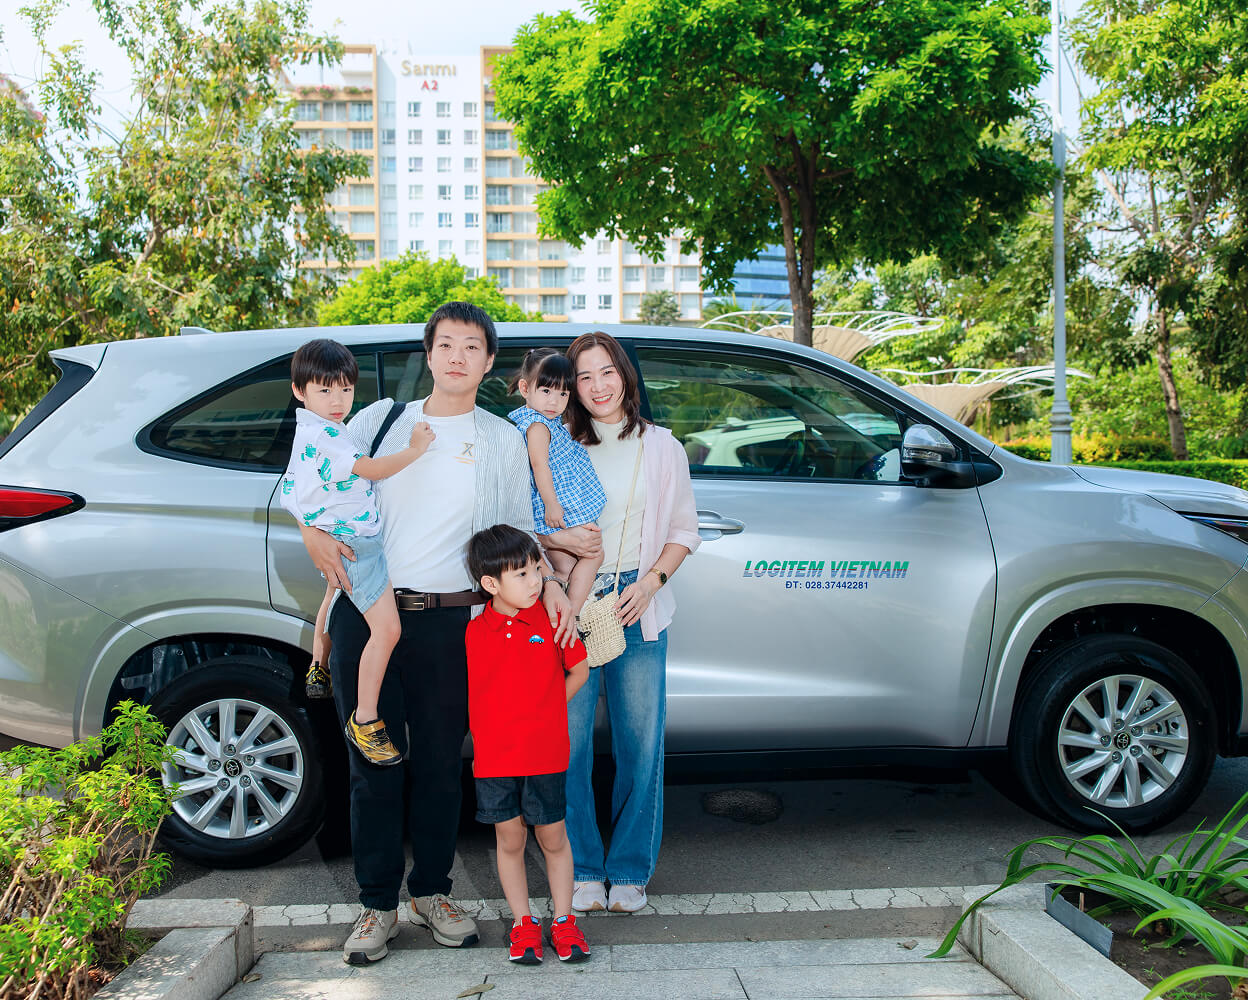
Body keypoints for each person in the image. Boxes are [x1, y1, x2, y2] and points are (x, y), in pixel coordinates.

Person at [296, 303, 588, 966]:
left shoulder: (500, 439)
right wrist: (311, 531)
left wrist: (556, 593)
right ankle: (377, 904)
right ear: (428, 354)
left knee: (436, 765)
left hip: (456, 623)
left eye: (472, 347)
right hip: (369, 616)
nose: (457, 356)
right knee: (371, 764)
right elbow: (315, 480)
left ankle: (432, 892)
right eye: (446, 344)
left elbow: (517, 532)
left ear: (489, 364)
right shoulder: (379, 420)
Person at [563, 331, 700, 915]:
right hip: (572, 607)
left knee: (640, 745)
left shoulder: (663, 447)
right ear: (572, 386)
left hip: (636, 607)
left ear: (626, 376)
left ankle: (629, 871)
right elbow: (532, 527)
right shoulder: (560, 442)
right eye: (584, 376)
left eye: (607, 372)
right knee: (568, 748)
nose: (598, 386)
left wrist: (649, 585)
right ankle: (583, 868)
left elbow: (683, 533)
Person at [279, 338, 434, 766]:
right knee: (387, 631)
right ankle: (365, 719)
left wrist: (314, 526)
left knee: (332, 595)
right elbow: (373, 469)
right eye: (325, 390)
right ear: (300, 390)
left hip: (337, 536)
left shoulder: (308, 430)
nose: (337, 400)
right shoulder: (328, 435)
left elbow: (295, 491)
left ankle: (318, 663)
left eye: (345, 389)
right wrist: (416, 448)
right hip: (357, 546)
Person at [464, 524, 591, 964]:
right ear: (490, 584)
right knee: (510, 839)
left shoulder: (553, 619)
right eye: (521, 575)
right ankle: (524, 924)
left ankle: (564, 921)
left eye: (536, 569)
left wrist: (548, 709)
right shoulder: (473, 631)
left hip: (546, 752)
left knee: (553, 836)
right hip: (496, 760)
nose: (535, 581)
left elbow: (580, 671)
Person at [507, 348, 606, 618]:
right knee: (595, 555)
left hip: (558, 503)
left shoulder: (545, 421)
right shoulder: (538, 426)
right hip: (559, 505)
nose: (555, 401)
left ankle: (560, 604)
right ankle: (571, 614)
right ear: (525, 388)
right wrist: (552, 505)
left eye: (563, 393)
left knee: (565, 565)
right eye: (547, 391)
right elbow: (540, 467)